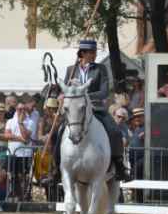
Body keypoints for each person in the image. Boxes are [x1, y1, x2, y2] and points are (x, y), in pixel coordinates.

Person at [45, 39, 129, 189]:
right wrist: (61, 95)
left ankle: (119, 166)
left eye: (95, 52)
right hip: (75, 112)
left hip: (96, 108)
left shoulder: (100, 69)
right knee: (57, 134)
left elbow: (104, 92)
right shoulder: (71, 70)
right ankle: (56, 169)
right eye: (92, 52)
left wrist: (85, 96)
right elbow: (66, 90)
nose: (95, 55)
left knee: (115, 132)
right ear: (82, 53)